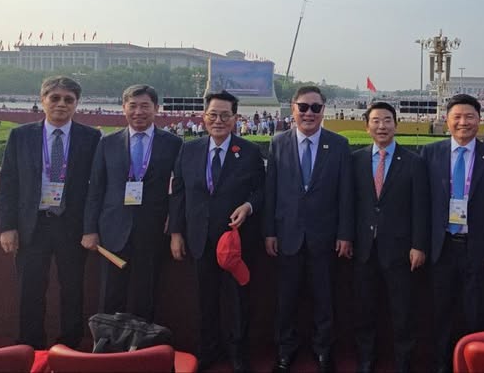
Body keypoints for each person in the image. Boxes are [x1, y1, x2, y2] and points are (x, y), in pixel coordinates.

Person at [0, 76, 102, 349]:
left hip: (71, 225)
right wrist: (7, 226)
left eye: (68, 99)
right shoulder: (21, 136)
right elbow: (8, 182)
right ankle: (30, 344)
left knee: (72, 289)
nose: (61, 104)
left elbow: (96, 187)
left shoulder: (91, 137)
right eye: (54, 98)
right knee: (30, 288)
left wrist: (91, 228)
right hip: (33, 225)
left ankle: (69, 345)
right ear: (42, 100)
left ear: (77, 104)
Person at [168, 91, 265, 373]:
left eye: (225, 115)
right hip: (199, 237)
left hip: (236, 239)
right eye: (213, 115)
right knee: (205, 298)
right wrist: (176, 233)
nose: (218, 121)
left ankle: (238, 353)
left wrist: (248, 206)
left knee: (238, 299)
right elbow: (178, 193)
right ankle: (209, 349)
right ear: (204, 117)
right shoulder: (189, 149)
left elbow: (262, 190)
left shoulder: (249, 151)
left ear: (235, 118)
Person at [264, 86, 354, 373]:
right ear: (293, 108)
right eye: (303, 107)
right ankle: (285, 349)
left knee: (324, 299)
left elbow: (346, 194)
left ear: (323, 110)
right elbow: (271, 191)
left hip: (324, 237)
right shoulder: (278, 143)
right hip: (287, 235)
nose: (309, 113)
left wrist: (345, 234)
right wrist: (269, 232)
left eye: (316, 107)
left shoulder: (338, 145)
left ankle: (323, 350)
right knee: (286, 300)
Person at [420, 94, 484, 373]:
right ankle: (441, 365)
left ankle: (474, 365)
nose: (463, 122)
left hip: (478, 248)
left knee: (477, 312)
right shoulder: (429, 154)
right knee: (440, 312)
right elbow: (420, 204)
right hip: (442, 246)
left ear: (479, 120)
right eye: (457, 117)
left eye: (469, 116)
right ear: (446, 120)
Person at [82, 84, 182, 321]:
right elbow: (96, 189)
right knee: (110, 294)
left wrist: (175, 225)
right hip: (112, 229)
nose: (138, 112)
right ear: (124, 108)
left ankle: (141, 342)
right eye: (133, 106)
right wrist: (89, 229)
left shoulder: (173, 143)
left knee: (146, 294)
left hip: (153, 229)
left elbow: (179, 189)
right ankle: (107, 342)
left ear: (156, 108)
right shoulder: (107, 143)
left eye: (145, 106)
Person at [351, 102, 429, 373]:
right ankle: (366, 360)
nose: (381, 126)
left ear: (396, 125)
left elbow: (421, 207)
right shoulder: (356, 160)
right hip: (363, 249)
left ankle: (403, 362)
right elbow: (349, 203)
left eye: (387, 120)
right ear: (367, 127)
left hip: (400, 250)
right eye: (375, 121)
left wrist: (419, 245)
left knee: (402, 311)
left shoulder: (414, 162)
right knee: (364, 310)